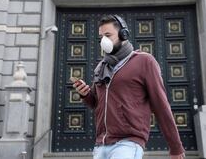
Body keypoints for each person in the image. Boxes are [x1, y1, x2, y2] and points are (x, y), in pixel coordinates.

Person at [72, 15, 185, 159]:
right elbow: (96, 103)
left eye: (108, 35)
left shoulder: (144, 61)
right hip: (101, 143)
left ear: (123, 34)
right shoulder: (101, 67)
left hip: (128, 142)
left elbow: (161, 105)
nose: (103, 41)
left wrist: (175, 147)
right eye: (101, 37)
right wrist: (86, 94)